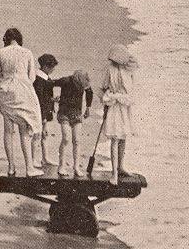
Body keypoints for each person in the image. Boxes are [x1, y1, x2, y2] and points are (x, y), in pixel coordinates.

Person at [0, 28, 42, 177]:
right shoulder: (27, 52)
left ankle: (11, 167)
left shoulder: (0, 52)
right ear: (19, 39)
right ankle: (29, 168)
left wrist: (5, 76)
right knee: (24, 130)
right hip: (23, 92)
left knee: (8, 131)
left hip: (6, 92)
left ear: (6, 39)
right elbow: (32, 78)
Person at [101, 43, 137, 186]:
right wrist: (107, 100)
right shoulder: (110, 70)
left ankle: (120, 167)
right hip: (115, 107)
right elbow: (103, 87)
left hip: (125, 107)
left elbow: (132, 90)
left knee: (123, 137)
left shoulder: (129, 70)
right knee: (115, 138)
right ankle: (114, 173)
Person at [53, 69, 94, 177]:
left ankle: (76, 167)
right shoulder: (66, 80)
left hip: (77, 113)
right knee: (66, 138)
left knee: (77, 140)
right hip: (64, 113)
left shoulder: (84, 83)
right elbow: (50, 83)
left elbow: (90, 92)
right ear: (77, 80)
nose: (83, 87)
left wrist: (88, 108)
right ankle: (61, 166)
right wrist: (51, 99)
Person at [33, 53, 58, 167]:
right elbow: (40, 98)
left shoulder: (43, 77)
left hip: (44, 110)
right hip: (40, 111)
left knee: (43, 135)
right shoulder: (39, 79)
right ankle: (36, 159)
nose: (52, 70)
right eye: (52, 67)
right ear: (46, 67)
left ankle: (44, 158)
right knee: (38, 135)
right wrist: (53, 99)